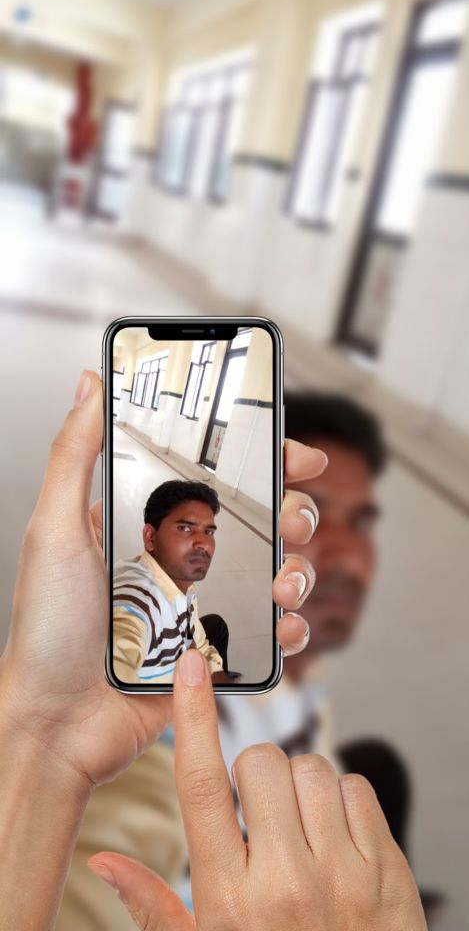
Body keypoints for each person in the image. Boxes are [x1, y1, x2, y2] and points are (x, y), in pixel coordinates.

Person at [59, 390, 440, 929]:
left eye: (358, 522)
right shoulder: (139, 606)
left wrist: (213, 666)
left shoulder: (206, 606)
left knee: (377, 768)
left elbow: (196, 632)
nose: (348, 557)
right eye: (314, 520)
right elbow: (125, 640)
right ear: (150, 535)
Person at [113, 480, 228, 684]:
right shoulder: (136, 603)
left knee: (217, 625)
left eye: (209, 532)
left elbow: (200, 645)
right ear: (150, 537)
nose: (203, 544)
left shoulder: (181, 583)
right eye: (185, 528)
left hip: (183, 652)